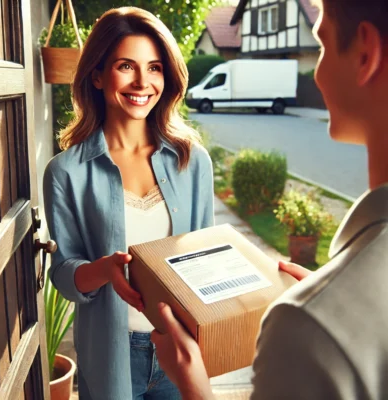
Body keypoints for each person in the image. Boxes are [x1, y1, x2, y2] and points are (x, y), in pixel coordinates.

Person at [151, 0, 388, 398]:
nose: (317, 73)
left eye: (324, 46)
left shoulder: (306, 329)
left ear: (365, 53)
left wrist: (193, 383)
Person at [43, 7, 214, 400]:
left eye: (154, 67)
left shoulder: (193, 161)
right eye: (126, 66)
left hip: (181, 347)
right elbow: (65, 275)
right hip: (110, 353)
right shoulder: (66, 171)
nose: (143, 81)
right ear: (98, 75)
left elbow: (207, 257)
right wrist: (104, 270)